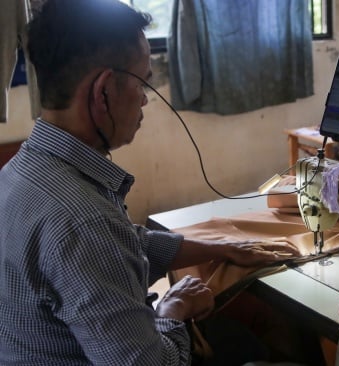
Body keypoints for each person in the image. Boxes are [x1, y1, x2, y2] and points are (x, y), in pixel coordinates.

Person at [0, 0, 300, 365]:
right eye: (143, 81)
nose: (145, 99)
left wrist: (219, 247)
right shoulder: (82, 220)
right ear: (104, 90)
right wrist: (171, 312)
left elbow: (123, 242)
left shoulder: (22, 171)